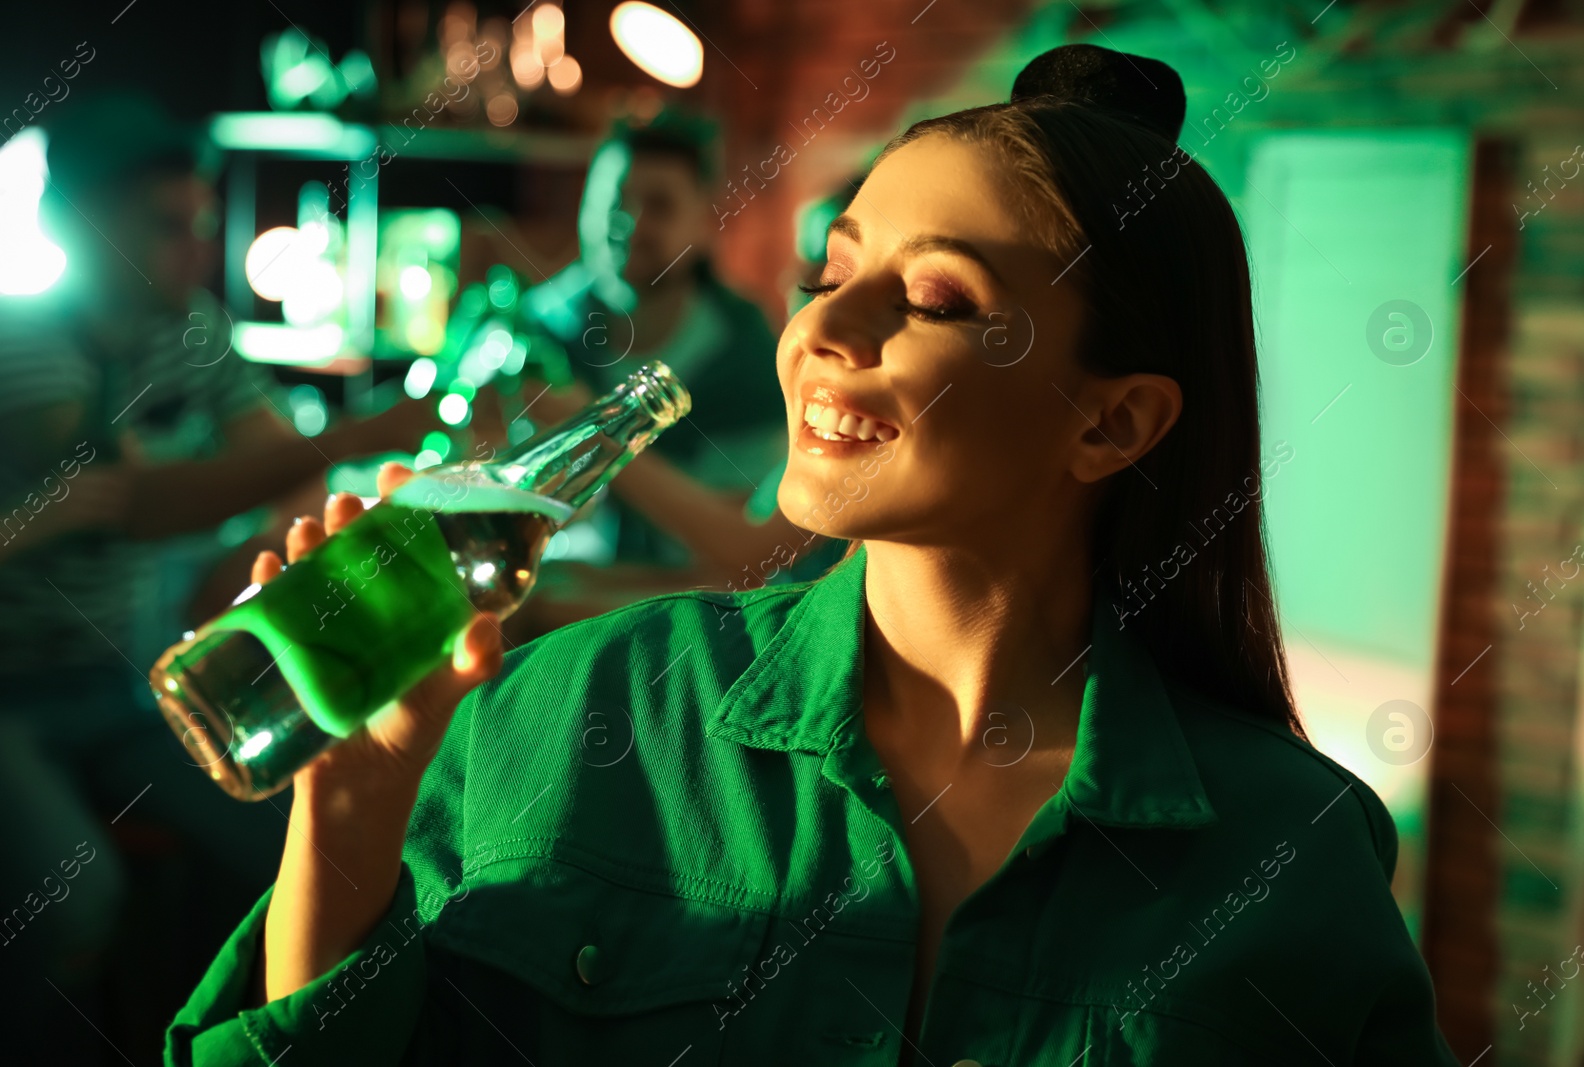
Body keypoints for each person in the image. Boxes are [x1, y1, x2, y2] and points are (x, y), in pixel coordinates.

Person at [165, 47, 1459, 1065]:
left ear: (1112, 419)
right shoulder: (580, 713)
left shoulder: (1286, 853)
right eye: (825, 269)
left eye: (940, 298)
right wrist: (344, 823)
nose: (828, 325)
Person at [0, 93, 432, 1058]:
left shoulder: (187, 330)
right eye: (167, 225)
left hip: (115, 685)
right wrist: (367, 432)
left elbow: (281, 468)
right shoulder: (19, 340)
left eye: (199, 221)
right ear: (81, 223)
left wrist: (229, 583)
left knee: (275, 845)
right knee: (72, 899)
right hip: (11, 694)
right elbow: (132, 498)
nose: (197, 246)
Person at [508, 110, 788, 573]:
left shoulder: (748, 358)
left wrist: (595, 430)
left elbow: (738, 561)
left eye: (659, 206)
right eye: (615, 202)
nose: (630, 224)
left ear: (703, 222)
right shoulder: (539, 329)